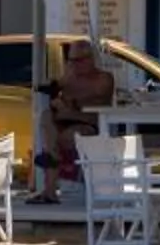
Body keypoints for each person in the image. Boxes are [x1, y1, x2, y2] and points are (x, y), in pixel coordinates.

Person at [42, 39, 116, 199]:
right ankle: (49, 190)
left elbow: (86, 101)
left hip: (89, 125)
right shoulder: (69, 77)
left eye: (78, 61)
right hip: (66, 123)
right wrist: (59, 90)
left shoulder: (104, 79)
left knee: (55, 141)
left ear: (90, 59)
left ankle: (49, 188)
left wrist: (68, 106)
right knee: (46, 118)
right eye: (71, 61)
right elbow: (53, 90)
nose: (74, 65)